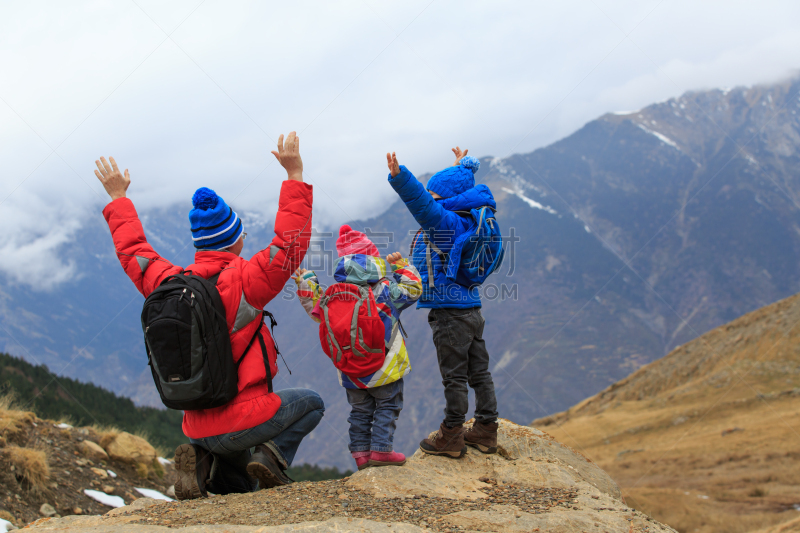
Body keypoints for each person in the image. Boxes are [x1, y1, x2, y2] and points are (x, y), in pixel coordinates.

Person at [94, 132, 323, 498]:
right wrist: (294, 174)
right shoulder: (249, 280)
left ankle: (201, 466)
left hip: (194, 421)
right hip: (241, 420)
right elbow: (289, 243)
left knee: (241, 488)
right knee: (312, 403)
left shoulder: (169, 283)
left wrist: (119, 199)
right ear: (235, 239)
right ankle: (271, 456)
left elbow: (135, 252)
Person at [385, 147, 499, 458]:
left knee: (455, 376)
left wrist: (401, 178)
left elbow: (423, 206)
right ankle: (487, 429)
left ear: (445, 198)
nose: (432, 197)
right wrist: (460, 167)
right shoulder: (467, 219)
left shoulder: (445, 223)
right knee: (480, 373)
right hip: (471, 310)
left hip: (450, 316)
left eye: (436, 193)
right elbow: (448, 193)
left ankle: (451, 435)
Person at [293, 225, 421, 470]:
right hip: (385, 368)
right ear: (373, 260)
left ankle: (361, 454)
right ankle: (382, 451)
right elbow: (413, 290)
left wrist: (307, 283)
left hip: (351, 370)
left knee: (360, 412)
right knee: (388, 406)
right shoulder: (385, 291)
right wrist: (402, 267)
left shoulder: (333, 295)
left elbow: (315, 310)